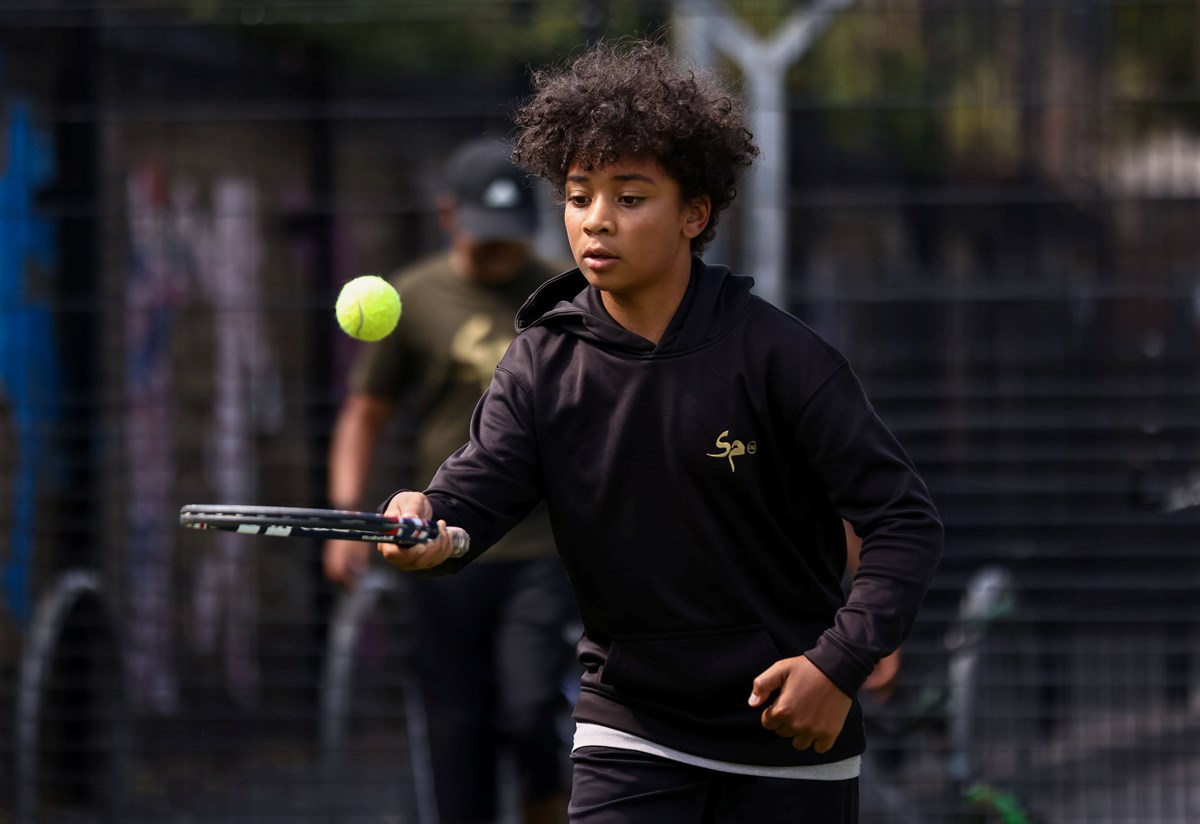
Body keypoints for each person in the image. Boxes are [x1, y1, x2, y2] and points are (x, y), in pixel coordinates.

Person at [373, 38, 943, 824]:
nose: (596, 221)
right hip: (631, 731)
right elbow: (474, 494)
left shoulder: (782, 358)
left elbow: (903, 522)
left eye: (629, 197)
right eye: (578, 197)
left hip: (789, 731)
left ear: (694, 214)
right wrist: (430, 523)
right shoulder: (540, 362)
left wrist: (839, 664)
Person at [324, 137, 576, 824]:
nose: (501, 253)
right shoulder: (413, 297)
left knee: (532, 718)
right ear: (448, 216)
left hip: (542, 550)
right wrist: (348, 518)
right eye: (485, 237)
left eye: (512, 237)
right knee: (455, 735)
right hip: (443, 547)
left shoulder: (566, 294)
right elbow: (364, 413)